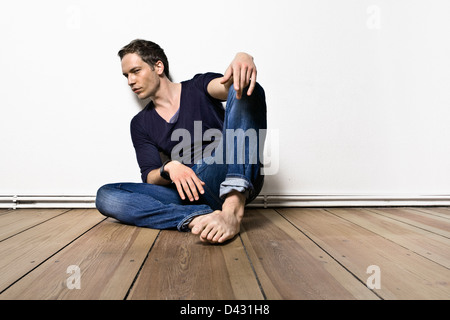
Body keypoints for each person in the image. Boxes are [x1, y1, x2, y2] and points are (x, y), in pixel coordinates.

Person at [95, 39, 267, 244]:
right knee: (106, 196)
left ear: (158, 66)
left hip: (226, 169)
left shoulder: (197, 87)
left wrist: (243, 57)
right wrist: (169, 168)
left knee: (246, 88)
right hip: (189, 191)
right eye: (126, 76)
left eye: (136, 71)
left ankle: (232, 210)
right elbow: (149, 177)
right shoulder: (140, 123)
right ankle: (198, 218)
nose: (130, 81)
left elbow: (231, 87)